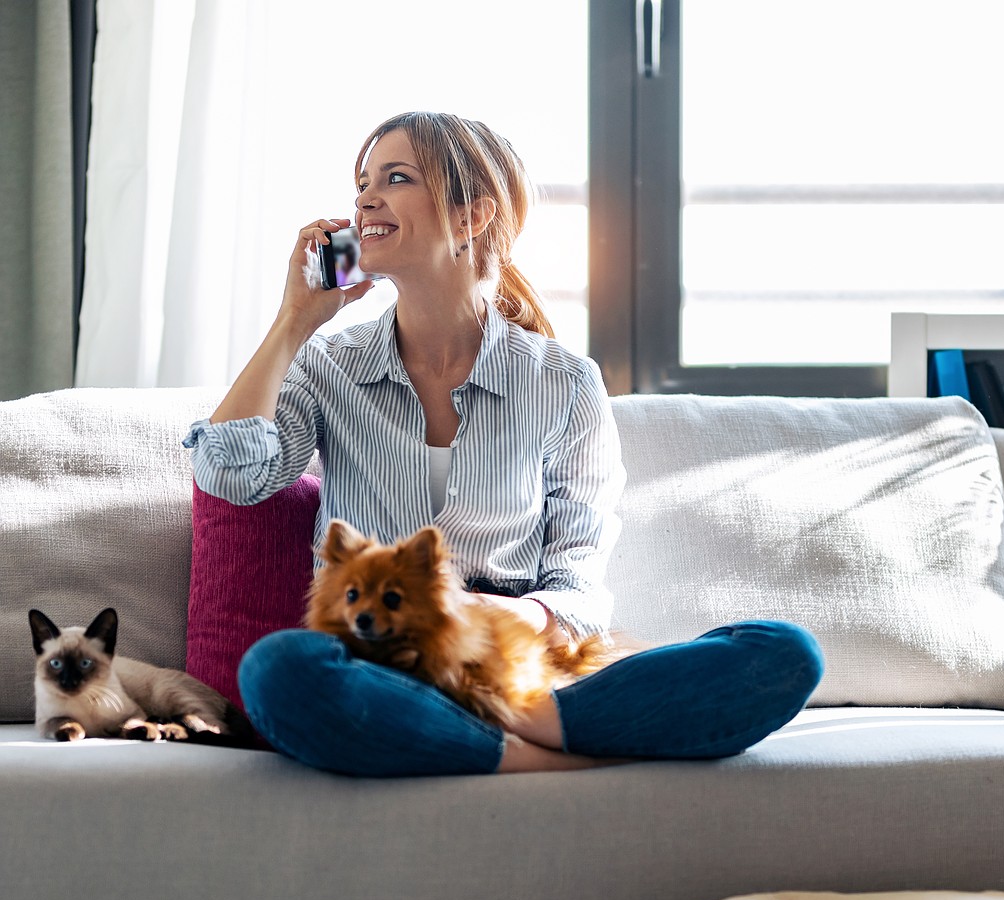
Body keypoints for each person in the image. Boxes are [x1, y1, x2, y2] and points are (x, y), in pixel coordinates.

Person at [183, 111, 824, 777]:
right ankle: (538, 752)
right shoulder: (328, 364)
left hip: (512, 657)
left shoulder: (565, 382)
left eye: (395, 178)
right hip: (382, 662)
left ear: (470, 217)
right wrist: (294, 322)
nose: (365, 199)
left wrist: (493, 616)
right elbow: (232, 475)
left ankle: (507, 721)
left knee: (781, 653)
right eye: (362, 183)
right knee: (279, 669)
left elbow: (577, 583)